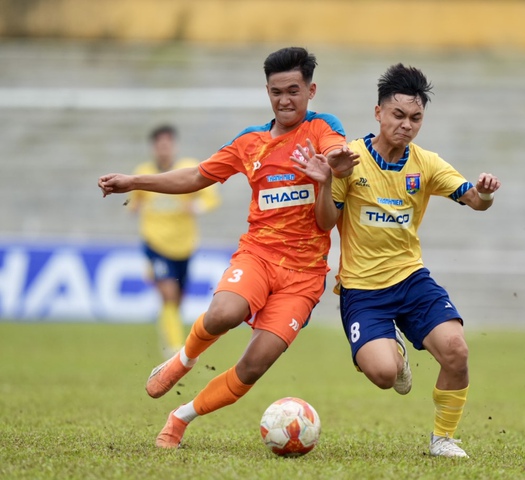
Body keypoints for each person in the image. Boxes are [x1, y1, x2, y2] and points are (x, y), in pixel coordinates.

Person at [98, 47, 359, 449]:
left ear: (311, 90)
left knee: (253, 365)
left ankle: (180, 418)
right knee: (224, 313)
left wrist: (333, 169)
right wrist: (135, 181)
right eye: (276, 91)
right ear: (267, 91)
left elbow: (335, 160)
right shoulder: (250, 142)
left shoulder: (322, 128)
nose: (285, 100)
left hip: (304, 275)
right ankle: (182, 361)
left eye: (293, 90)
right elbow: (196, 177)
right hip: (259, 254)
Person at [291, 63, 501, 458]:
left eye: (416, 118)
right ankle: (394, 354)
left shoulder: (426, 164)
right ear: (378, 113)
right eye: (398, 115)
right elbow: (325, 221)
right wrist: (325, 182)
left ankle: (443, 439)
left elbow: (475, 200)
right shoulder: (347, 160)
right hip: (362, 289)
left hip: (411, 280)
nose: (406, 125)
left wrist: (486, 193)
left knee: (456, 350)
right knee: (384, 375)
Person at [128, 124, 221, 359]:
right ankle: (175, 347)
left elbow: (211, 198)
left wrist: (196, 207)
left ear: (174, 146)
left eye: (167, 145)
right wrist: (133, 206)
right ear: (153, 148)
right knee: (168, 294)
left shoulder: (187, 169)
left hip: (184, 246)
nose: (164, 149)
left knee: (177, 300)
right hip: (156, 244)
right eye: (159, 145)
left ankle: (168, 333)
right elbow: (133, 201)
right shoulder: (144, 172)